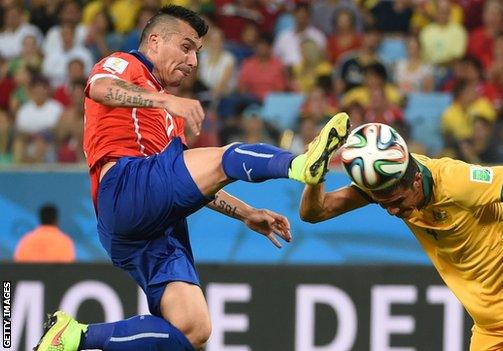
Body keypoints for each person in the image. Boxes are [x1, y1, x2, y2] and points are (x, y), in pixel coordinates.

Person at [33, 6, 350, 351]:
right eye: (186, 48)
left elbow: (187, 185)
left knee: (193, 330)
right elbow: (99, 88)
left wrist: (246, 213)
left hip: (147, 225)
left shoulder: (172, 119)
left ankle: (74, 336)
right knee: (226, 156)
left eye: (197, 53)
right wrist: (165, 100)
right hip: (123, 186)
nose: (193, 62)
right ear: (155, 41)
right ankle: (302, 164)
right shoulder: (127, 64)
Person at [300, 124, 503, 350]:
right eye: (382, 203)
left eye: (397, 202)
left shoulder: (455, 181)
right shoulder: (388, 180)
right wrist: (316, 175)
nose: (392, 211)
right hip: (492, 325)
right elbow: (315, 212)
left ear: (415, 179)